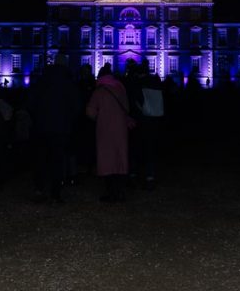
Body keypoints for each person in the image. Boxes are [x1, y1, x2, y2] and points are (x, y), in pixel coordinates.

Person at [27, 54, 79, 203]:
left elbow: (30, 102)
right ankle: (55, 192)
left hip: (41, 126)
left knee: (41, 158)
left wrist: (38, 116)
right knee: (58, 160)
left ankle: (39, 189)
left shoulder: (42, 80)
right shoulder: (69, 83)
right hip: (61, 127)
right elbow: (76, 106)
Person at [86, 64, 134, 202]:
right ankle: (120, 192)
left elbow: (90, 112)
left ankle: (111, 193)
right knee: (120, 159)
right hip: (120, 129)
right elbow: (127, 107)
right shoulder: (120, 88)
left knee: (107, 160)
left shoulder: (99, 91)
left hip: (105, 129)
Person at [134, 60, 164, 190]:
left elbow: (137, 102)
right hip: (155, 120)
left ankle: (136, 175)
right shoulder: (156, 82)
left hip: (143, 120)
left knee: (140, 147)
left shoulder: (139, 84)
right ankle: (150, 176)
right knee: (151, 148)